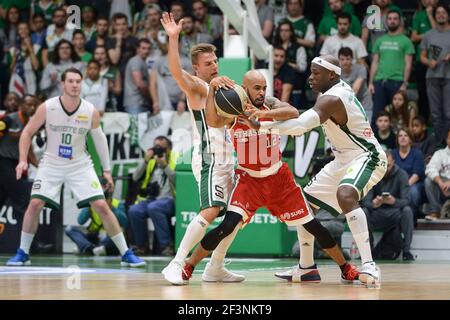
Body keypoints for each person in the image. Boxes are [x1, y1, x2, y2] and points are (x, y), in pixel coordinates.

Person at [171, 69, 360, 286]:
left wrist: (263, 116)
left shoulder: (269, 104)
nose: (261, 92)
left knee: (313, 225)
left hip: (279, 180)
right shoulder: (235, 111)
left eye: (264, 88)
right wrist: (213, 88)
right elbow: (213, 122)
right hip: (249, 180)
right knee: (227, 225)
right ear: (244, 88)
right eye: (257, 88)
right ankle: (189, 266)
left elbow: (292, 112)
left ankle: (346, 268)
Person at [246, 55, 388, 288]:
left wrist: (263, 123)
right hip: (343, 159)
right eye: (310, 71)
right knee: (302, 205)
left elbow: (301, 125)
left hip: (367, 156)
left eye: (316, 72)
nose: (310, 77)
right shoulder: (329, 94)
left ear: (331, 75)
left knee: (346, 195)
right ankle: (306, 268)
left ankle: (369, 264)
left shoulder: (333, 98)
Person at [6, 68, 145, 267]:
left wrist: (106, 170)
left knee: (101, 206)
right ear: (63, 84)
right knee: (35, 204)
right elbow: (27, 133)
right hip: (52, 162)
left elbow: (100, 141)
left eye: (78, 81)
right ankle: (23, 252)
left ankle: (126, 253)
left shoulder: (90, 110)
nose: (74, 85)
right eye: (70, 81)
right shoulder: (48, 107)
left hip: (79, 164)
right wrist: (22, 160)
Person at [160, 12, 244, 283]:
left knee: (237, 216)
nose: (214, 66)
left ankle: (216, 266)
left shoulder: (224, 89)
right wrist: (173, 39)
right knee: (210, 212)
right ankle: (176, 263)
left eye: (216, 61)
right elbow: (175, 71)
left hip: (227, 160)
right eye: (208, 63)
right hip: (209, 159)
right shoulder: (197, 88)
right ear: (197, 68)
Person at [362, 150, 415, 261]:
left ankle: (406, 251)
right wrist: (374, 204)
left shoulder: (402, 174)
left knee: (407, 210)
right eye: (382, 165)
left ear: (394, 162)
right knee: (364, 211)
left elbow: (407, 200)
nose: (385, 168)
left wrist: (394, 201)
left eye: (388, 165)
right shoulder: (372, 175)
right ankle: (368, 251)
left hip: (395, 213)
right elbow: (365, 201)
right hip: (377, 213)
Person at [128, 136, 177, 256]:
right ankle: (142, 246)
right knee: (134, 210)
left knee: (154, 207)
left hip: (171, 199)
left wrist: (165, 166)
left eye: (160, 147)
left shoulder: (176, 159)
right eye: (155, 147)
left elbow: (179, 180)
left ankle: (166, 246)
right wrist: (145, 161)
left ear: (169, 148)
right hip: (152, 199)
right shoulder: (151, 161)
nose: (157, 150)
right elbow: (135, 177)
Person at [368, 10, 414, 128]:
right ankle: (375, 143)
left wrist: (404, 83)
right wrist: (371, 82)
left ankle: (394, 144)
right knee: (377, 114)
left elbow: (408, 64)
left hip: (397, 82)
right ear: (386, 21)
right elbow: (375, 62)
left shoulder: (406, 41)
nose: (392, 21)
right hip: (379, 82)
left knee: (397, 115)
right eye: (390, 19)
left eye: (395, 19)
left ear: (399, 21)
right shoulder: (380, 40)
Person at [65, 179, 127, 256]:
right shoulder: (91, 203)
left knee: (119, 232)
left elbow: (125, 222)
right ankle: (90, 247)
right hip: (94, 235)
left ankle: (86, 247)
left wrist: (112, 208)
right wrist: (89, 206)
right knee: (69, 229)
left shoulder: (117, 203)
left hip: (108, 236)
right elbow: (80, 221)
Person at [0, 95, 39, 212]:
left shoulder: (30, 124)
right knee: (22, 197)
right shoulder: (8, 120)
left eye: (34, 105)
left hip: (16, 163)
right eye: (28, 105)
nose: (32, 108)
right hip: (4, 161)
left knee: (2, 196)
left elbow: (29, 149)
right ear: (21, 106)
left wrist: (39, 165)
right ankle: (28, 228)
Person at [420, 5, 450, 145]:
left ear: (448, 15)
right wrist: (428, 62)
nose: (440, 15)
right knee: (436, 115)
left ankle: (448, 142)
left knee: (449, 114)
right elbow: (422, 56)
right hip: (432, 77)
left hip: (449, 77)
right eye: (438, 13)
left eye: (443, 13)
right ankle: (440, 144)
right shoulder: (428, 34)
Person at [392, 128, 426, 222]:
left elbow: (416, 175)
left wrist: (405, 186)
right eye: (400, 136)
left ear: (410, 139)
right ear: (397, 139)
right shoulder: (393, 153)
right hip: (396, 184)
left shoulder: (417, 153)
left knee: (413, 192)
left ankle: (412, 219)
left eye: (406, 135)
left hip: (413, 184)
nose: (403, 138)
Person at [424, 129, 450, 221]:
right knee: (428, 181)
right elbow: (430, 169)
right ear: (447, 140)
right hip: (442, 189)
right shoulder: (440, 154)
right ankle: (436, 211)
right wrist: (440, 182)